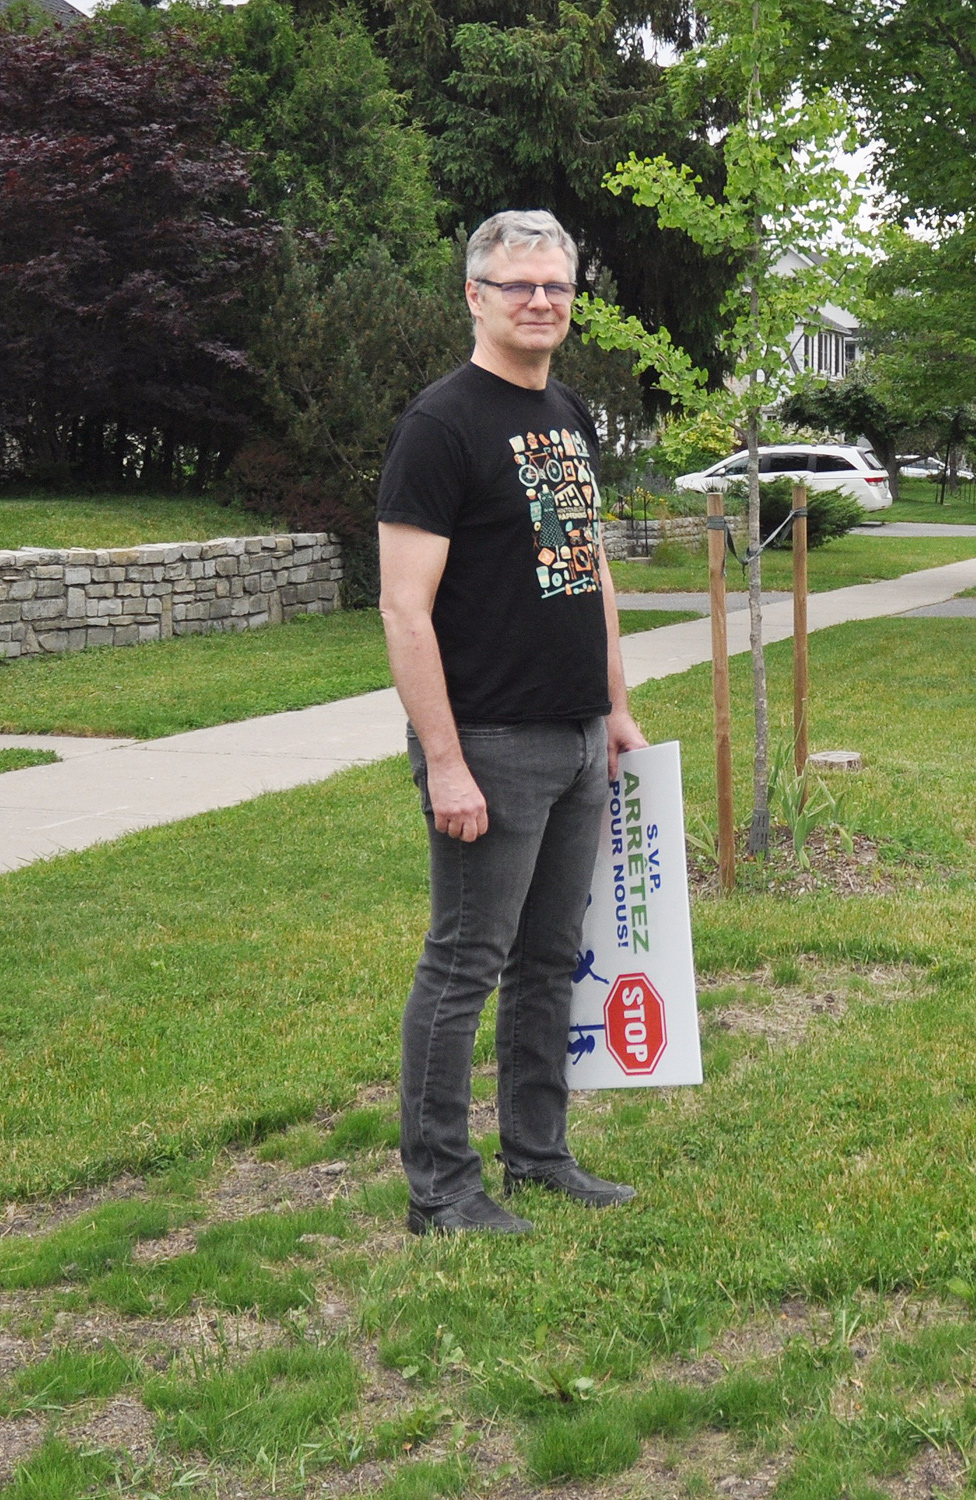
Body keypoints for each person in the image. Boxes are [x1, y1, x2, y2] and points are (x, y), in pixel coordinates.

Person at [377, 209, 648, 1236]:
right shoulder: (441, 426)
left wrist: (614, 707)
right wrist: (444, 762)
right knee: (463, 966)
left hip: (578, 736)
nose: (542, 301)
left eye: (557, 286)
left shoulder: (566, 410)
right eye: (520, 285)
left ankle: (538, 1155)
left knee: (548, 962)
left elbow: (591, 569)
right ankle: (441, 1189)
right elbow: (404, 609)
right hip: (488, 744)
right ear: (474, 297)